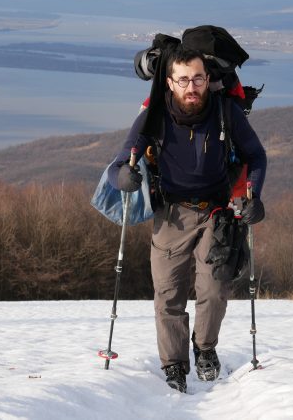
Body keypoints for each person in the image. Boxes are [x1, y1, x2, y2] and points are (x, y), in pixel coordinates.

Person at [107, 43, 267, 393]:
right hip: (171, 213)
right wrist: (122, 176)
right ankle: (174, 365)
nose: (191, 87)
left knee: (214, 286)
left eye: (197, 79)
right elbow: (122, 160)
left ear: (207, 78)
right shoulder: (155, 117)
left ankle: (205, 349)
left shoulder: (226, 112)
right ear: (169, 82)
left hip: (217, 212)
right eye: (183, 80)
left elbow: (256, 156)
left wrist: (253, 195)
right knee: (169, 294)